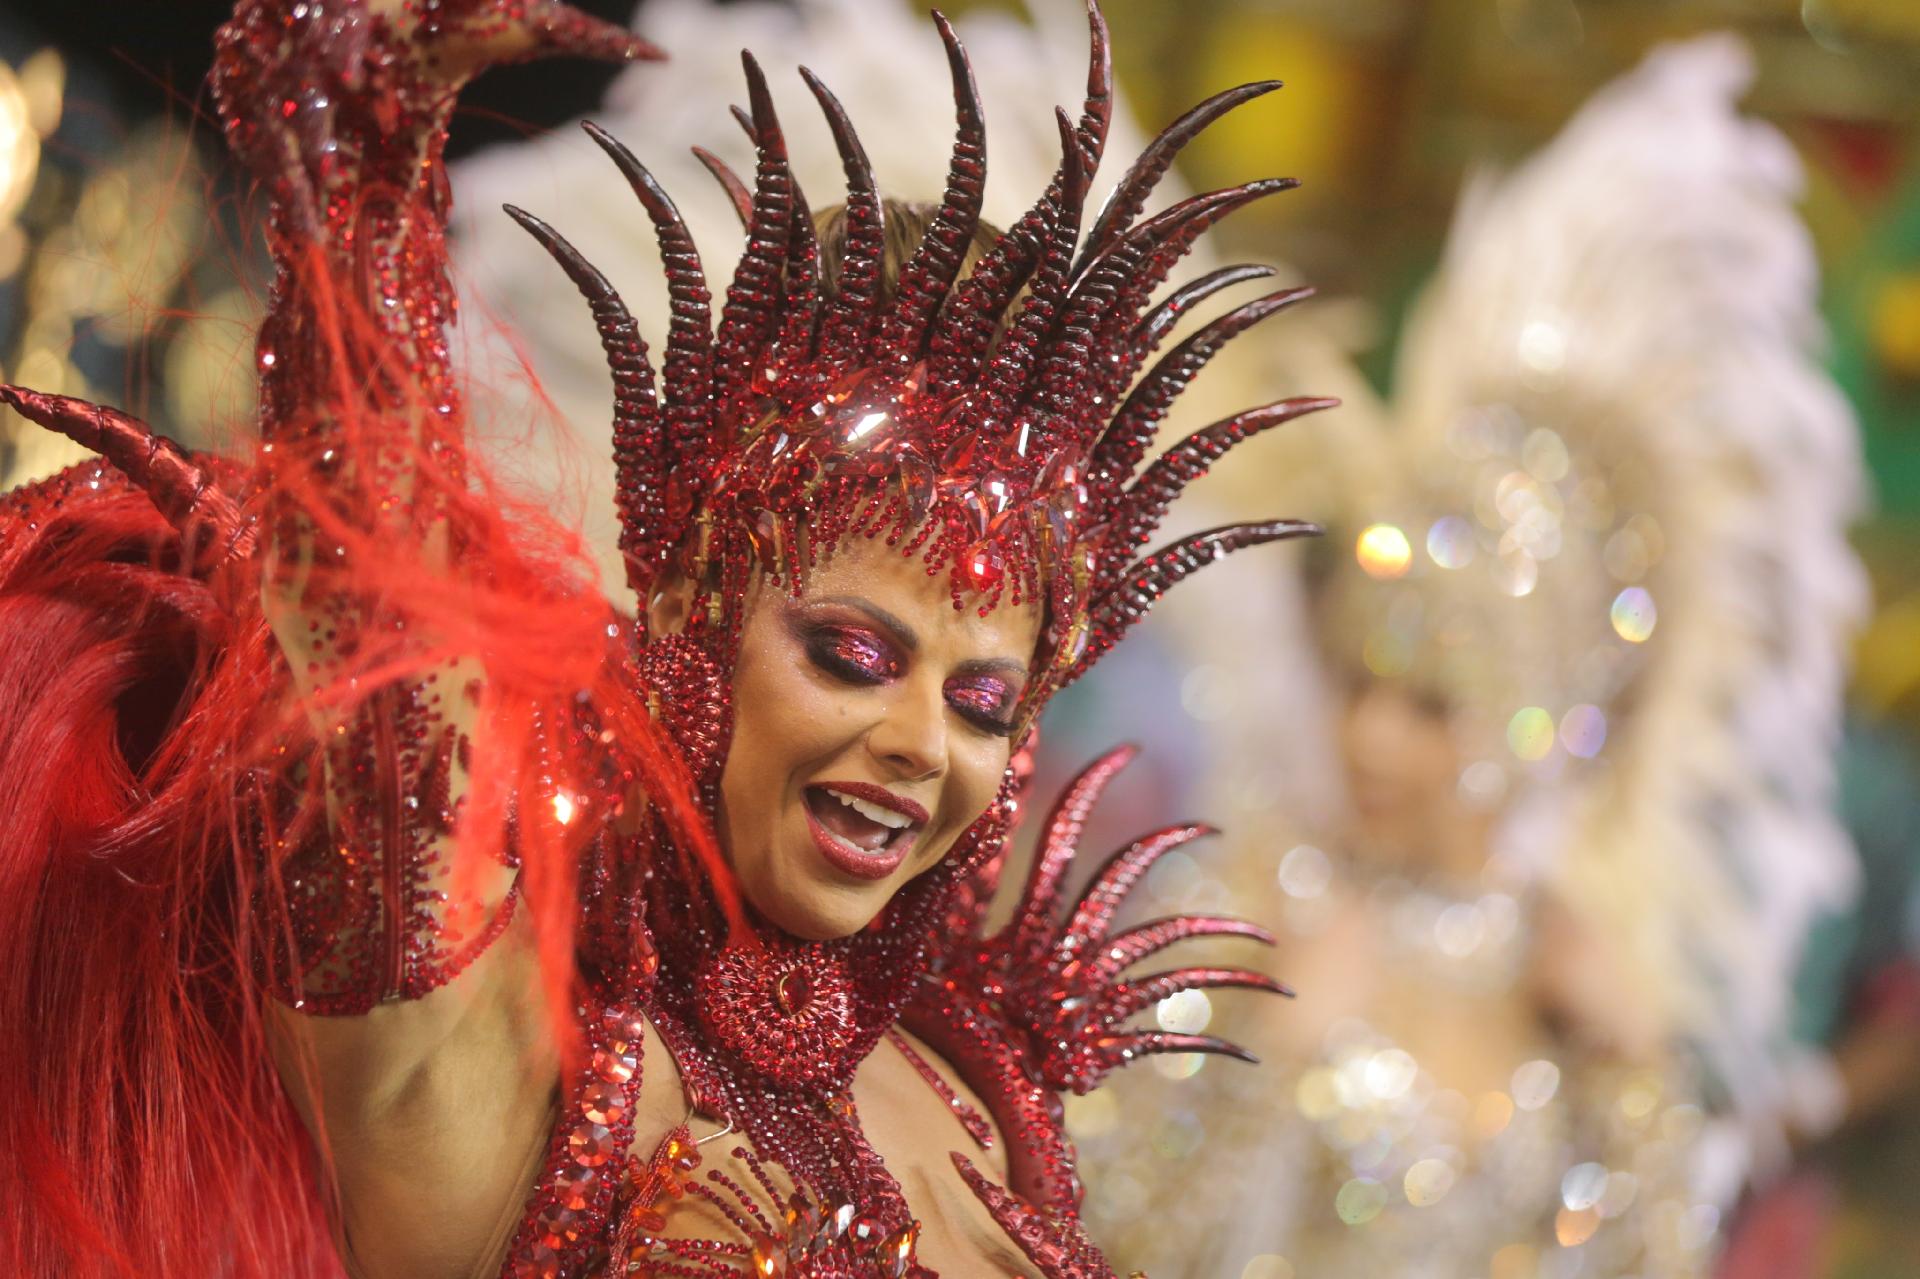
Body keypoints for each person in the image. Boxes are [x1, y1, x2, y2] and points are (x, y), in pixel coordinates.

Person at [0, 0, 1335, 1276]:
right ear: (698, 620)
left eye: (985, 699)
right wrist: (363, 201)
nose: (921, 741)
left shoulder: (981, 1089)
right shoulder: (535, 1038)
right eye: (851, 657)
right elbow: (373, 665)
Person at [1074, 36, 1866, 1279]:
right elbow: (1098, 1234)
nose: (1372, 737)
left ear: (1542, 717)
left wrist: (1637, 1081)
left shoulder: (1572, 969)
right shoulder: (1240, 914)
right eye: (1358, 682)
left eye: (1435, 704)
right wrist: (1264, 1068)